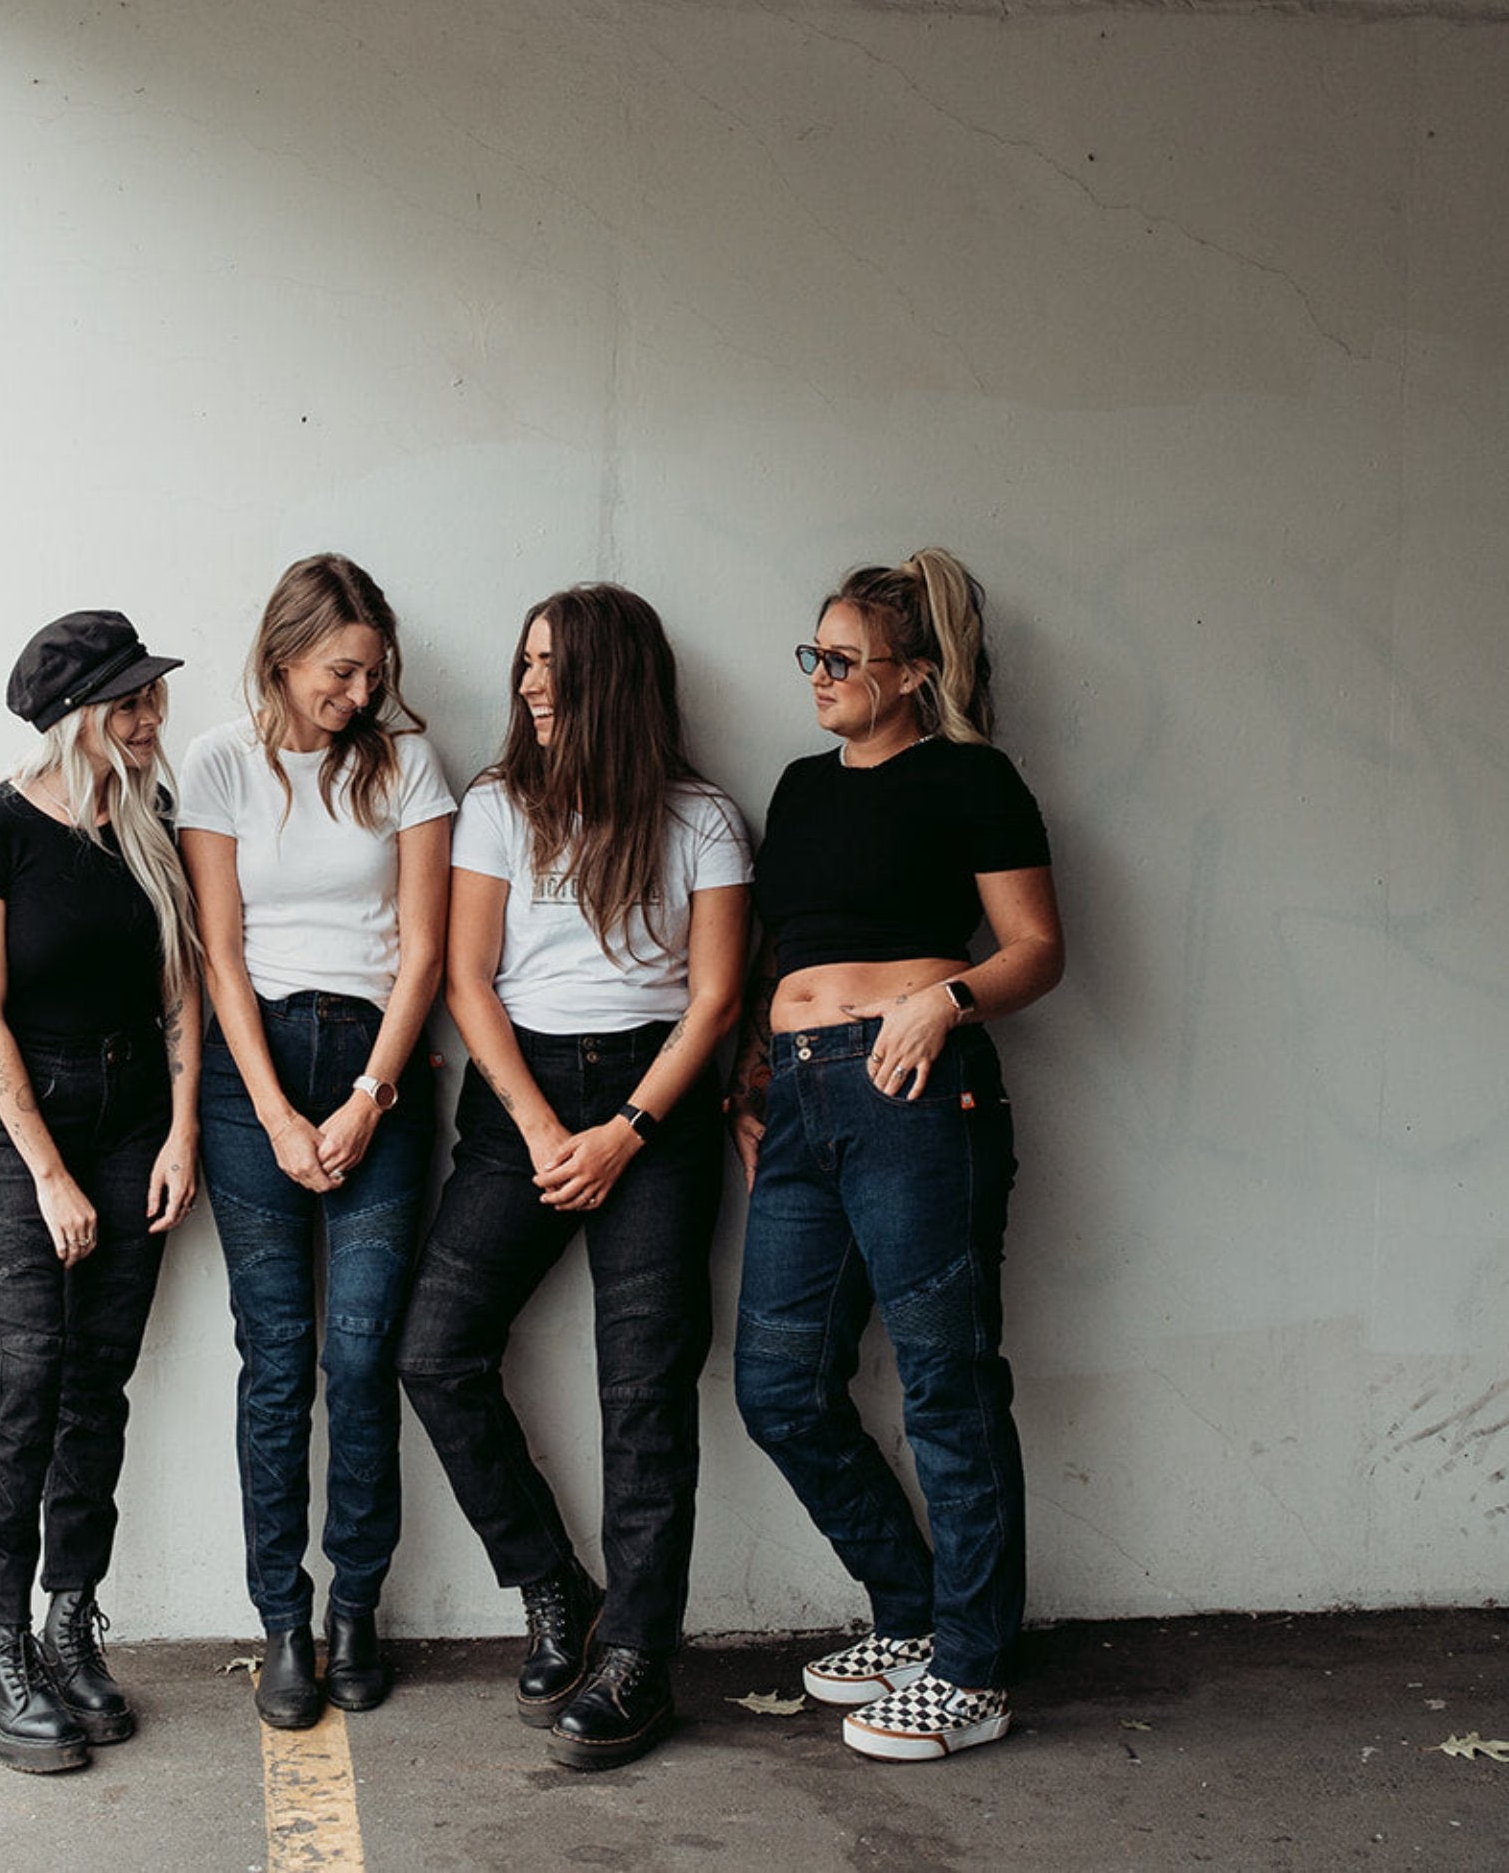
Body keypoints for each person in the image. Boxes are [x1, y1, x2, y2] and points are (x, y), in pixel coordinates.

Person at [398, 584, 751, 1771]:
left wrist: (626, 1131)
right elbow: (466, 979)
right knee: (433, 1346)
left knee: (644, 1390)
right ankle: (555, 1583)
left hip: (660, 1103)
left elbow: (714, 998)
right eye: (526, 663)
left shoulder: (703, 818)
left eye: (554, 666)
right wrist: (548, 1127)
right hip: (522, 1101)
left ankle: (640, 1658)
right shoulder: (499, 806)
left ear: (613, 677)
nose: (531, 685)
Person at [728, 548, 1064, 1763]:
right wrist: (752, 1079)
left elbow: (1036, 945)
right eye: (810, 653)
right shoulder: (801, 785)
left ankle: (972, 1669)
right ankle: (914, 1610)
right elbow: (786, 948)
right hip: (804, 1102)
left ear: (915, 673)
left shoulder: (971, 777)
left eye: (843, 658)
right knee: (778, 1386)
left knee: (949, 1383)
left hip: (914, 1087)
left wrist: (950, 999)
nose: (817, 675)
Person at [179, 554, 454, 1728]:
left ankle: (356, 1610)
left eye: (373, 671)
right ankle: (281, 1619)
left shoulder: (407, 764)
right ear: (286, 652)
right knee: (278, 1358)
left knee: (360, 1356)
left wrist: (367, 1097)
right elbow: (220, 955)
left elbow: (429, 951)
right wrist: (281, 1110)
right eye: (343, 668)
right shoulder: (218, 761)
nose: (359, 690)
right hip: (257, 1083)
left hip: (379, 1067)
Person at [0, 610, 204, 1774]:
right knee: (30, 1374)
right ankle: (1, 1650)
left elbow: (181, 993)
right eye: (133, 703)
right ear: (79, 715)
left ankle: (70, 1624)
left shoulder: (150, 825)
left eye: (155, 700)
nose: (153, 721)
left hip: (135, 1120)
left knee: (98, 1379)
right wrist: (50, 1172)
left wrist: (180, 1132)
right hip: (21, 1133)